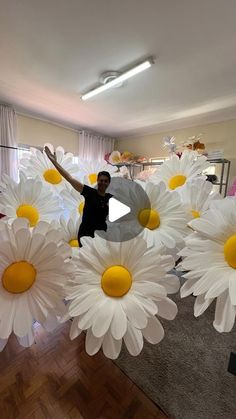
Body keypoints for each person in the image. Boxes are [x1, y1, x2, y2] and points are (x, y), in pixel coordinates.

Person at [44, 146, 112, 245]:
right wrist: (55, 162)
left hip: (101, 235)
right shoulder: (89, 192)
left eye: (106, 181)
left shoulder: (110, 198)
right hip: (86, 233)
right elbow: (70, 178)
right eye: (101, 180)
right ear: (97, 181)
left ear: (109, 183)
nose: (103, 183)